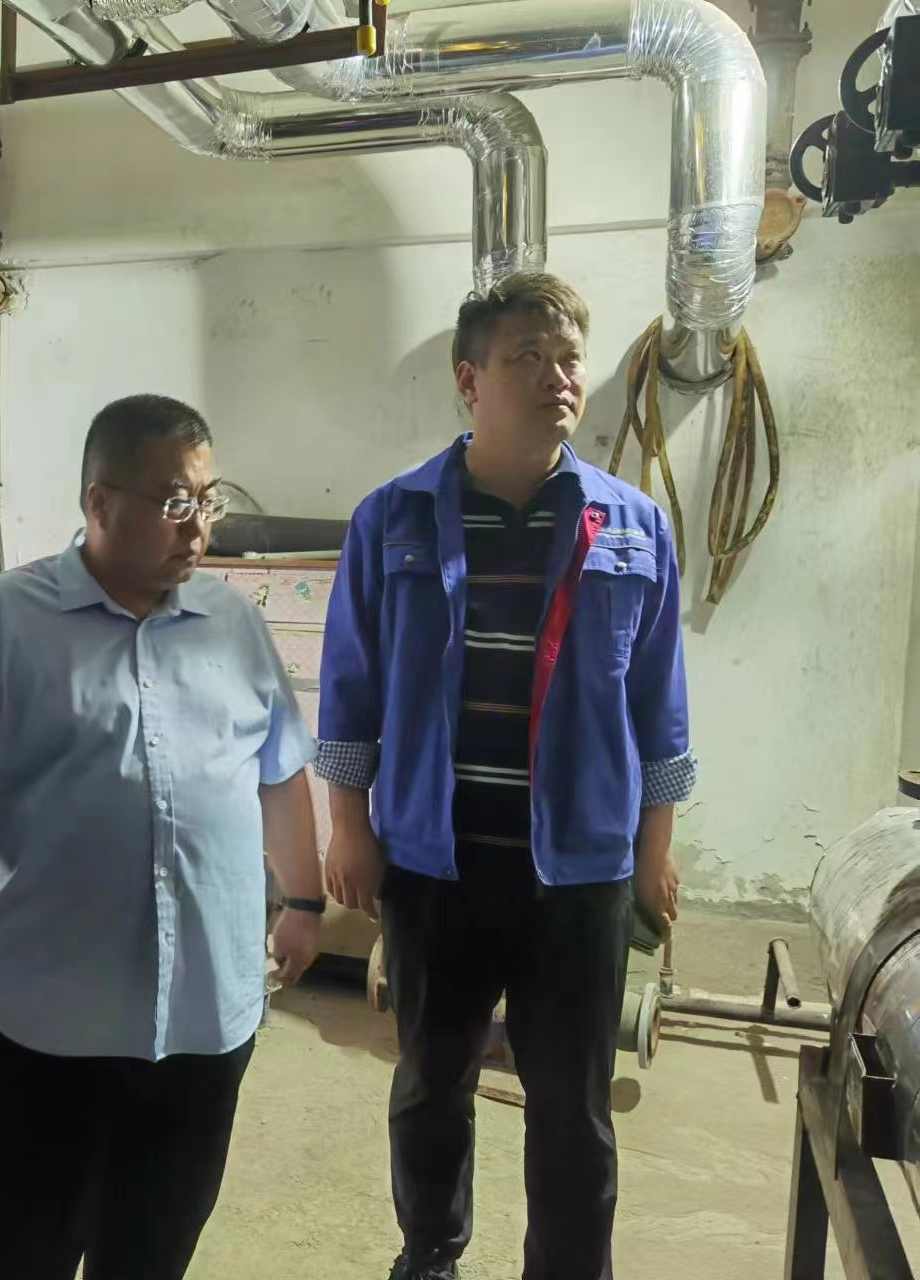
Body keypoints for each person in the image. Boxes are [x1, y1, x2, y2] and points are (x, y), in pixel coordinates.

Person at [316, 274, 691, 1280]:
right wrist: (347, 826)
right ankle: (429, 1252)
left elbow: (659, 705)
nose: (555, 376)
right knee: (429, 1083)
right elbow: (349, 689)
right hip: (434, 863)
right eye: (526, 356)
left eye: (567, 358)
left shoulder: (632, 526)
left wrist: (654, 848)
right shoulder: (390, 518)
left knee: (572, 1104)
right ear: (468, 379)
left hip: (578, 871)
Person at [0, 393, 326, 1280]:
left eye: (208, 499)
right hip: (45, 1021)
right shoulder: (3, 621)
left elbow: (279, 771)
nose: (198, 526)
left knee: (153, 1249)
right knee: (12, 1254)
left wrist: (303, 900)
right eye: (175, 501)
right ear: (99, 503)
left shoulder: (234, 623)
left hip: (204, 1014)